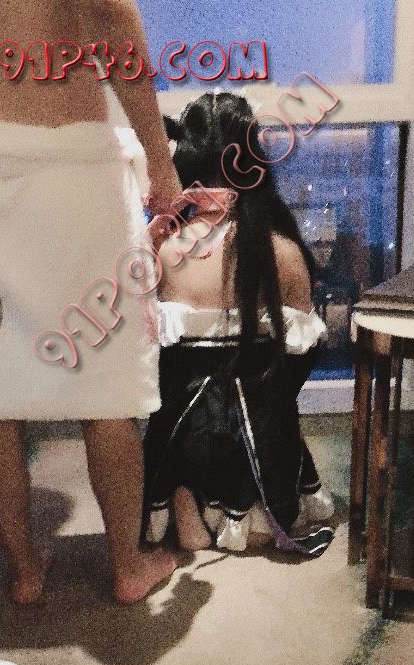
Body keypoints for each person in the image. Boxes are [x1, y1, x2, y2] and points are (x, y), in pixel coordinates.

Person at [0, 0, 181, 604]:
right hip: (67, 159)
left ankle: (25, 570)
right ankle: (127, 567)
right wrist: (160, 160)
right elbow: (110, 14)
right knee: (104, 382)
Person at [143, 93, 335, 556]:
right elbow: (302, 358)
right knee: (268, 415)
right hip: (253, 441)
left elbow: (153, 360)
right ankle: (233, 507)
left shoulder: (165, 248)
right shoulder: (280, 250)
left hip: (182, 434)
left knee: (178, 408)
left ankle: (183, 494)